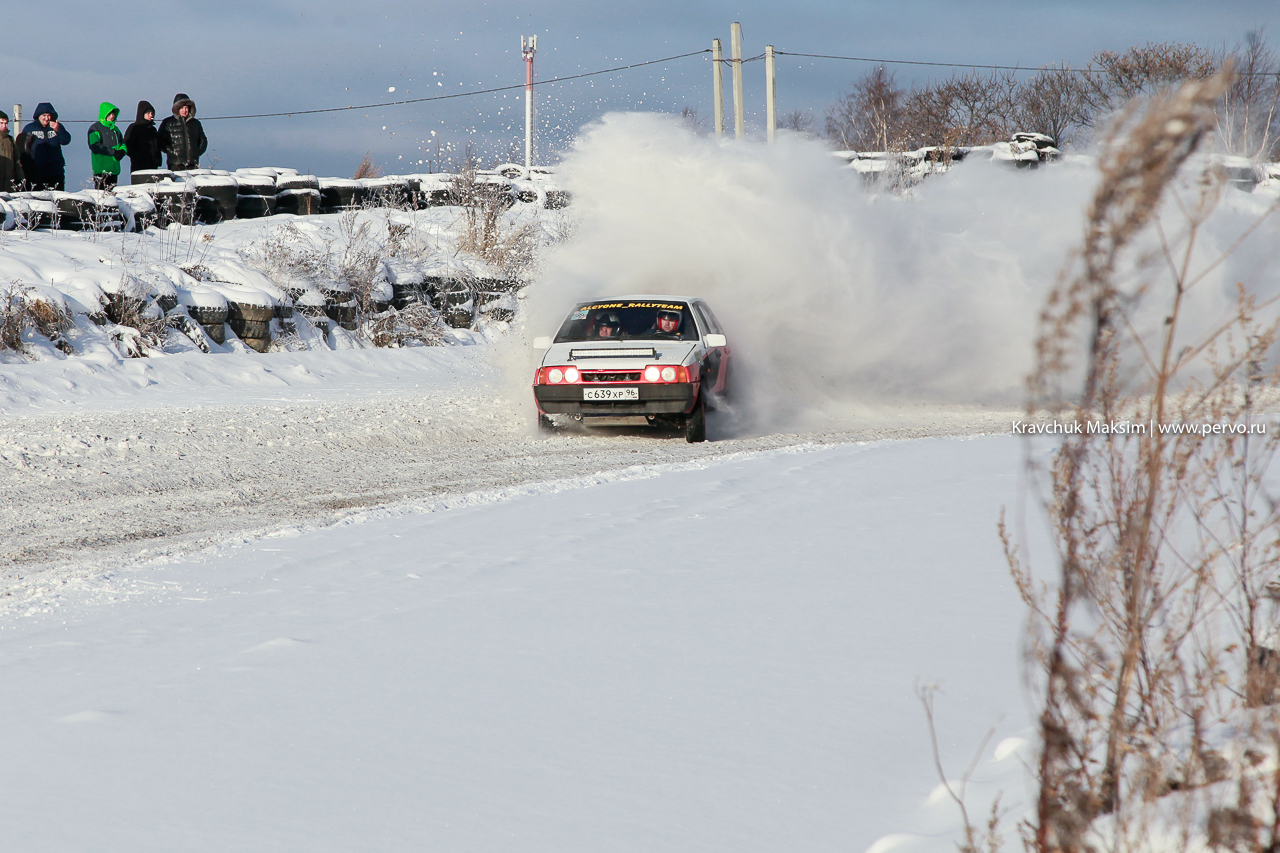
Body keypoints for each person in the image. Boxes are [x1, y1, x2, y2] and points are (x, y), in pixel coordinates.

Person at [22, 103, 71, 191]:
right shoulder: (30, 128)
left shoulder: (57, 127)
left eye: (49, 115)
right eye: (44, 115)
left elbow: (66, 140)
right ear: (39, 116)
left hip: (55, 172)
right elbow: (23, 148)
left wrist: (58, 130)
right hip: (36, 172)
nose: (47, 118)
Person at [157, 93, 207, 172]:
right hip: (175, 164)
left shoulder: (195, 123)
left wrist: (196, 152)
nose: (184, 110)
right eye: (182, 108)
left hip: (192, 164)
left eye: (186, 107)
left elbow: (203, 140)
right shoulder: (168, 122)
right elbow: (160, 140)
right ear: (177, 109)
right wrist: (171, 151)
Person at [87, 102, 128, 190]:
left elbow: (122, 143)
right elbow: (94, 146)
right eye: (109, 114)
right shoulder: (95, 128)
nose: (112, 116)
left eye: (113, 114)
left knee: (112, 197)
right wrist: (113, 152)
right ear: (104, 114)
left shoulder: (115, 130)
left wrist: (123, 151)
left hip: (114, 168)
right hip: (101, 169)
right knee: (102, 196)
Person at [123, 100, 162, 173]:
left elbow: (157, 147)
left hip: (153, 166)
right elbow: (128, 145)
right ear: (142, 114)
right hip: (139, 167)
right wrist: (138, 157)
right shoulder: (134, 128)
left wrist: (157, 160)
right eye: (148, 113)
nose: (151, 115)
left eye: (152, 113)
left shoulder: (153, 129)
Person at [0, 111, 24, 192]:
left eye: (6, 123)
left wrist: (20, 177)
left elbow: (17, 160)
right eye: (1, 123)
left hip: (9, 181)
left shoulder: (10, 140)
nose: (4, 126)